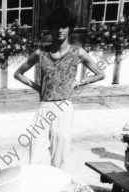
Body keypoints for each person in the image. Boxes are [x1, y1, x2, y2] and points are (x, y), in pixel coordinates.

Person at [14, 6, 105, 169]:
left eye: (64, 26)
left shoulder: (78, 52)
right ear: (51, 28)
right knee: (35, 157)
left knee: (59, 159)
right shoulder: (40, 53)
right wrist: (36, 86)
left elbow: (100, 74)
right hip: (44, 108)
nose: (60, 30)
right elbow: (18, 73)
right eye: (56, 26)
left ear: (70, 28)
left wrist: (82, 82)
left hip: (64, 107)